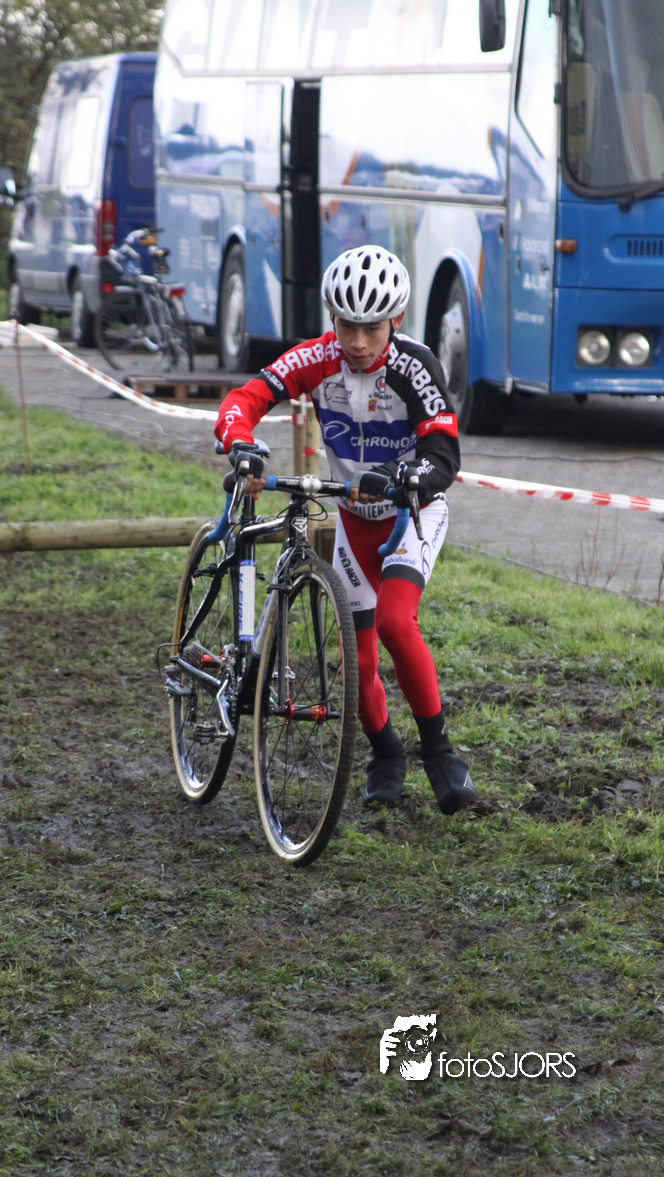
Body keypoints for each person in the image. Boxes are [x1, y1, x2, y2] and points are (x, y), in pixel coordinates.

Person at [214, 244, 477, 814]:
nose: (358, 341)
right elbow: (245, 398)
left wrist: (403, 476)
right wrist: (240, 441)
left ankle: (440, 753)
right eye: (347, 326)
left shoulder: (415, 366)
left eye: (371, 328)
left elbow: (443, 454)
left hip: (412, 513)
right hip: (355, 522)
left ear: (396, 320)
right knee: (355, 663)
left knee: (395, 622)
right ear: (332, 319)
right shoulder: (316, 358)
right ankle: (386, 753)